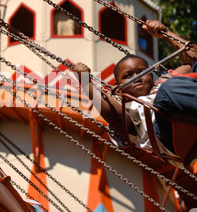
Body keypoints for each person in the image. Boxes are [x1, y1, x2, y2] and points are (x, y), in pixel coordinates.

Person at [73, 20, 197, 160]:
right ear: (118, 88)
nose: (136, 78)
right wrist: (85, 83)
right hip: (167, 135)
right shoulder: (128, 106)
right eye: (128, 76)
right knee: (168, 90)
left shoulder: (163, 82)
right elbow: (116, 117)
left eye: (141, 72)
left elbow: (193, 59)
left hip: (187, 112)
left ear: (151, 75)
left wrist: (167, 34)